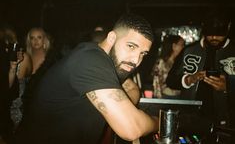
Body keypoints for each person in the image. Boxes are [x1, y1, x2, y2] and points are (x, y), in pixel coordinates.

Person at [14, 13, 159, 144]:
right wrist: (160, 122)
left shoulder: (106, 63)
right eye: (131, 46)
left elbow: (132, 87)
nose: (136, 60)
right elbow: (131, 128)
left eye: (143, 54)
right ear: (112, 38)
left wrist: (123, 108)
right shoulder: (91, 60)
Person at [166, 10, 235, 140]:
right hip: (191, 120)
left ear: (229, 27)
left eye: (219, 34)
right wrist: (189, 79)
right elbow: (170, 81)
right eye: (210, 34)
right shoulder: (189, 50)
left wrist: (229, 86)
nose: (214, 38)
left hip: (227, 122)